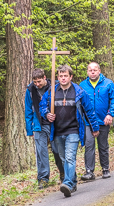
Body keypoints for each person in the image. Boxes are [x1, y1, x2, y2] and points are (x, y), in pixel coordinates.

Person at [40, 65, 100, 198]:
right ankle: (72, 182)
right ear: (57, 77)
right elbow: (42, 105)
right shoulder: (52, 91)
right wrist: (46, 114)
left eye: (65, 76)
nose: (63, 78)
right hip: (57, 131)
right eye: (60, 76)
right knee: (63, 158)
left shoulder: (79, 92)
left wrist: (94, 128)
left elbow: (89, 110)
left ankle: (67, 182)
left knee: (69, 157)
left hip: (73, 130)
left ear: (70, 77)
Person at [25, 69, 64, 189]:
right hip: (38, 124)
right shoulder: (30, 90)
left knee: (57, 150)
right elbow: (28, 109)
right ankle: (43, 178)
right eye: (35, 81)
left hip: (53, 123)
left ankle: (63, 172)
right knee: (41, 152)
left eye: (39, 81)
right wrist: (29, 129)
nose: (37, 84)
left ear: (44, 78)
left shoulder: (54, 86)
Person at [80, 62, 114, 181]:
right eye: (90, 70)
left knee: (103, 145)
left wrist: (110, 114)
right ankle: (89, 171)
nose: (92, 72)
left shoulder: (108, 83)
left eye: (95, 70)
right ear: (87, 72)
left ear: (99, 71)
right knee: (89, 145)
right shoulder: (82, 85)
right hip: (88, 122)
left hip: (103, 120)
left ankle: (105, 168)